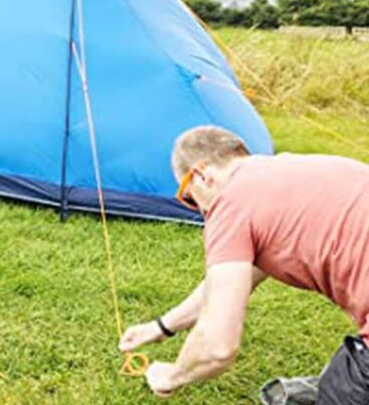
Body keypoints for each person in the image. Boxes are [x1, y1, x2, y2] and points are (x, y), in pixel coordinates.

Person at [119, 125, 369, 402]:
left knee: (340, 392)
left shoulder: (230, 203)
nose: (201, 211)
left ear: (201, 175)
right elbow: (225, 286)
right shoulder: (286, 173)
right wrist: (161, 327)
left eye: (189, 198)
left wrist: (172, 375)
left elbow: (217, 347)